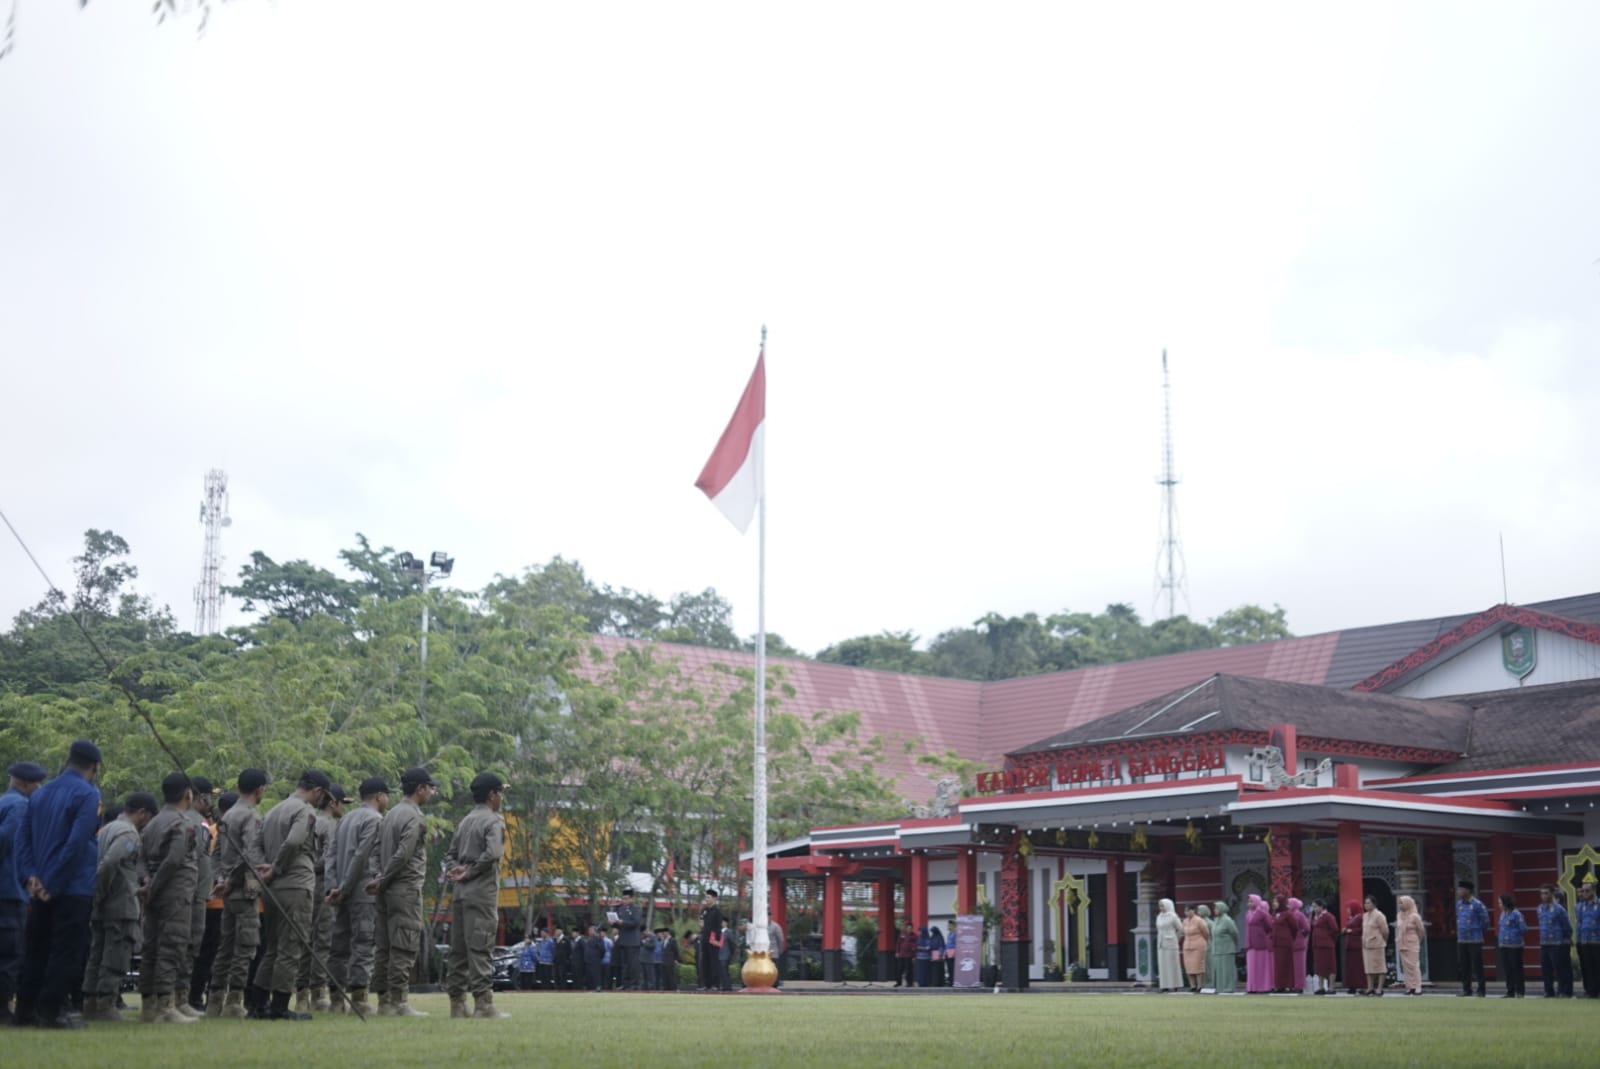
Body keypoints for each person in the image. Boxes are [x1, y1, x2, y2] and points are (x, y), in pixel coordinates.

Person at [14, 739, 102, 1029]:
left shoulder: (41, 793)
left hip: (39, 886)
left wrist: (31, 877)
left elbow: (23, 840)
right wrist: (50, 880)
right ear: (94, 767)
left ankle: (24, 1010)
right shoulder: (88, 794)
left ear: (67, 760)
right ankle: (51, 1011)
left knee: (36, 948)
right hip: (72, 885)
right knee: (66, 951)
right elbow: (76, 843)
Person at [256, 769, 332, 1021]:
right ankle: (279, 1007)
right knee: (291, 947)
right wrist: (277, 867)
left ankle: (258, 1005)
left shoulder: (273, 810)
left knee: (272, 948)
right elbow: (294, 840)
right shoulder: (305, 811)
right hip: (295, 885)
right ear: (318, 791)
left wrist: (264, 870)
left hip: (271, 888)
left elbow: (255, 846)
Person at [81, 793, 157, 1021]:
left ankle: (91, 1003)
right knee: (115, 956)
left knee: (96, 955)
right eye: (149, 817)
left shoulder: (106, 829)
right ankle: (105, 1005)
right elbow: (110, 864)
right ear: (142, 812)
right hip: (118, 904)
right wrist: (101, 893)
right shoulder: (128, 833)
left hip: (103, 905)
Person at [370, 766, 436, 1017]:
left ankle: (384, 1002)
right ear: (420, 789)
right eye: (429, 787)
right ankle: (399, 1002)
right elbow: (404, 854)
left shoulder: (390, 815)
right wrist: (384, 877)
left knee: (384, 948)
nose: (431, 791)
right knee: (403, 947)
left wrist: (378, 878)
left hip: (385, 890)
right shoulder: (413, 817)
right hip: (404, 888)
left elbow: (375, 851)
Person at [445, 770, 508, 1019]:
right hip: (481, 892)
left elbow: (450, 855)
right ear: (492, 795)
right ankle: (483, 1004)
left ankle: (457, 1005)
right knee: (481, 947)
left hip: (460, 894)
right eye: (500, 792)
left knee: (458, 951)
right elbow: (493, 853)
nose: (501, 797)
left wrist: (457, 870)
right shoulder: (493, 821)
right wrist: (470, 871)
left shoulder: (465, 821)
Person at [140, 771, 201, 1024]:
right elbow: (175, 859)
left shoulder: (153, 822)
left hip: (153, 894)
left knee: (151, 948)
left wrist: (146, 882)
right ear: (188, 794)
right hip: (175, 893)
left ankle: (149, 1005)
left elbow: (141, 858)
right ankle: (166, 1006)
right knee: (171, 946)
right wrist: (154, 884)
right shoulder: (182, 823)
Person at [327, 775, 387, 1017]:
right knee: (363, 943)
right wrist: (347, 886)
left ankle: (335, 999)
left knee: (338, 946)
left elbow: (330, 854)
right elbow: (361, 856)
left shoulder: (346, 818)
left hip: (340, 891)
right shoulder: (375, 820)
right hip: (361, 890)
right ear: (379, 796)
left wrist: (333, 887)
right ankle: (359, 998)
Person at [211, 769, 268, 1019]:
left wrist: (220, 879)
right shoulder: (250, 816)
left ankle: (214, 999)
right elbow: (250, 856)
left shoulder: (228, 814)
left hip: (227, 889)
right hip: (245, 886)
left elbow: (216, 855)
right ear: (259, 789)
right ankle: (234, 1000)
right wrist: (236, 883)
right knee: (245, 946)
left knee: (226, 946)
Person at [0, 760, 47, 1026]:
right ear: (25, 783)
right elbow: (9, 843)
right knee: (10, 952)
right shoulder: (20, 807)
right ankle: (3, 1010)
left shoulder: (3, 802)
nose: (39, 788)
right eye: (37, 783)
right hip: (9, 891)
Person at [298, 781, 344, 1013]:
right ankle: (317, 991)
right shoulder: (331, 825)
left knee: (305, 937)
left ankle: (301, 992)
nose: (343, 808)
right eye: (342, 803)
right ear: (333, 802)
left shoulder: (309, 819)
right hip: (322, 884)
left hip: (304, 883)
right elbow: (329, 859)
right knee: (323, 939)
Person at [183, 778, 222, 1016]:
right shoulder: (197, 825)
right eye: (208, 797)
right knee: (197, 950)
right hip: (197, 896)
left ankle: (188, 997)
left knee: (199, 949)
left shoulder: (206, 825)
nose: (210, 803)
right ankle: (191, 997)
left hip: (201, 895)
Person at [1537, 883, 1574, 997]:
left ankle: (1563, 991)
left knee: (1560, 969)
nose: (1543, 896)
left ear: (1552, 894)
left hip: (1557, 943)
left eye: (1546, 893)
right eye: (1542, 893)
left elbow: (1567, 926)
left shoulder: (1559, 909)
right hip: (1544, 942)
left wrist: (1565, 939)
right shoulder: (1540, 908)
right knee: (1546, 969)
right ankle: (1548, 991)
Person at [1453, 879, 1489, 997]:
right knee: (1464, 966)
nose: (1459, 891)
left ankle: (1481, 990)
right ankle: (1466, 989)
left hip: (1475, 939)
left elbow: (1485, 922)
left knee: (1477, 965)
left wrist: (1477, 931)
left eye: (1461, 889)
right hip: (1462, 939)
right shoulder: (1459, 905)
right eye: (1458, 889)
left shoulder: (1477, 904)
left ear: (1468, 891)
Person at [1497, 892, 1527, 998]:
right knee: (1507, 969)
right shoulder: (1502, 914)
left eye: (1500, 903)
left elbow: (1523, 928)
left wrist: (1513, 935)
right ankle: (1510, 991)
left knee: (1517, 969)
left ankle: (1520, 991)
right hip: (1504, 945)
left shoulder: (1516, 914)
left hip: (1515, 946)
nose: (1499, 906)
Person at [1574, 877, 1600, 998]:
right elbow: (1579, 922)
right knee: (1587, 967)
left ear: (1594, 890)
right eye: (1583, 891)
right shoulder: (1580, 906)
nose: (1584, 893)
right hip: (1584, 941)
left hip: (1597, 941)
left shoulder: (1598, 904)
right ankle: (1590, 991)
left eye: (1587, 891)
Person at [1395, 895, 1425, 996]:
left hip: (1412, 942)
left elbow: (1421, 930)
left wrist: (1417, 940)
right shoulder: (1399, 915)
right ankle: (1409, 987)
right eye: (1399, 903)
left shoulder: (1415, 916)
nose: (1400, 905)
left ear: (1407, 903)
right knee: (1406, 966)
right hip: (1402, 942)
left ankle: (1418, 987)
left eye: (1401, 903)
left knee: (1414, 965)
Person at [613, 886, 642, 990]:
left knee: (633, 964)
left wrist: (623, 922)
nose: (624, 900)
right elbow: (618, 926)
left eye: (626, 898)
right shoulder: (620, 909)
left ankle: (634, 984)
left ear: (631, 899)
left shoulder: (636, 909)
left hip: (633, 941)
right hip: (623, 940)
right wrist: (614, 923)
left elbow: (636, 923)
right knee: (624, 964)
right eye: (623, 898)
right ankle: (625, 984)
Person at [1360, 895, 1389, 995]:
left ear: (1374, 904)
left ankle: (1379, 988)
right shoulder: (1365, 915)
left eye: (1368, 903)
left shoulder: (1379, 915)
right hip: (1366, 945)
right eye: (1365, 903)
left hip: (1377, 944)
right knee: (1368, 968)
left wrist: (1383, 941)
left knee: (1380, 967)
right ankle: (1370, 988)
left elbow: (1385, 931)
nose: (1366, 905)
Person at [1309, 899, 1339, 995]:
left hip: (1327, 944)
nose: (1314, 909)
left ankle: (1331, 987)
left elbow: (1334, 929)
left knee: (1330, 966)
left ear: (1321, 906)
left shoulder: (1328, 916)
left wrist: (1327, 937)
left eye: (1316, 907)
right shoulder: (1315, 917)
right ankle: (1321, 986)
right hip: (1317, 945)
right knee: (1319, 966)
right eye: (1313, 907)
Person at [1208, 900, 1239, 994]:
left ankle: (1228, 988)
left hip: (1227, 949)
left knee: (1227, 970)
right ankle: (1220, 988)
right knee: (1218, 970)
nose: (1215, 910)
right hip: (1217, 950)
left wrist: (1233, 944)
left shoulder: (1227, 920)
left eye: (1216, 908)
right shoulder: (1216, 920)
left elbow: (1235, 933)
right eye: (1214, 908)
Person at [1244, 894, 1272, 994]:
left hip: (1260, 944)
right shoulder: (1247, 913)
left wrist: (1261, 935)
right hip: (1250, 944)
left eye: (1251, 901)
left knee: (1261, 966)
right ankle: (1252, 987)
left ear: (1256, 902)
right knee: (1252, 967)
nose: (1249, 904)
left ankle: (1263, 987)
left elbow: (1269, 927)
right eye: (1248, 902)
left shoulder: (1262, 914)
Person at [698, 889, 724, 991]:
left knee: (714, 962)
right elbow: (702, 924)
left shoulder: (717, 912)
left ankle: (715, 984)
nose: (706, 899)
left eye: (708, 898)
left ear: (714, 899)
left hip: (713, 940)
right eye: (706, 897)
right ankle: (706, 984)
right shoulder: (705, 911)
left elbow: (718, 928)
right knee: (705, 962)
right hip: (705, 938)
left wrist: (714, 940)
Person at [1270, 895, 1296, 993]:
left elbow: (1295, 927)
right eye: (1273, 902)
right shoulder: (1275, 914)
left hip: (1285, 942)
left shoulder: (1287, 914)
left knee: (1286, 964)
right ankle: (1280, 985)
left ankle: (1288, 985)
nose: (1274, 904)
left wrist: (1289, 937)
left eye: (1276, 902)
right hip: (1277, 943)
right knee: (1278, 965)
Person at [1155, 898, 1182, 993]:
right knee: (1163, 965)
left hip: (1171, 943)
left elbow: (1180, 930)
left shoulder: (1173, 916)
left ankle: (1174, 985)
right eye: (1160, 906)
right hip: (1161, 943)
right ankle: (1164, 985)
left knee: (1172, 965)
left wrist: (1175, 939)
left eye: (1162, 906)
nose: (1161, 908)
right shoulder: (1159, 916)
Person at [1182, 903, 1208, 992]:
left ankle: (1199, 986)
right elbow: (1183, 933)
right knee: (1189, 966)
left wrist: (1203, 941)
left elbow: (1206, 932)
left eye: (1188, 910)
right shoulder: (1185, 921)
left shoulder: (1199, 920)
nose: (1186, 913)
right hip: (1187, 945)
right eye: (1185, 911)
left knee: (1198, 966)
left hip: (1198, 945)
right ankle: (1192, 986)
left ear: (1193, 910)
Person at [1340, 902, 1364, 994]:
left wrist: (1350, 931)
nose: (1348, 911)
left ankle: (1361, 985)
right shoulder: (1350, 918)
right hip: (1349, 945)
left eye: (1349, 908)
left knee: (1358, 967)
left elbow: (1362, 929)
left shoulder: (1360, 917)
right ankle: (1352, 985)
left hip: (1357, 945)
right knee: (1350, 967)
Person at [1287, 897, 1309, 994]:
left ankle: (1299, 986)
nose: (1288, 906)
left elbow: (1307, 928)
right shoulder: (1288, 914)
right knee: (1291, 966)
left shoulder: (1299, 915)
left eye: (1289, 904)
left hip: (1298, 943)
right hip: (1290, 943)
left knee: (1299, 966)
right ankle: (1292, 985)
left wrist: (1300, 935)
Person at [894, 922, 916, 987]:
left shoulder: (914, 936)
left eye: (911, 928)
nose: (909, 929)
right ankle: (898, 983)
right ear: (906, 928)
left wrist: (914, 956)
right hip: (901, 955)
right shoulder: (902, 934)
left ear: (912, 928)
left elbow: (915, 946)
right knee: (899, 969)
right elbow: (898, 943)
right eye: (908, 928)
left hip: (909, 956)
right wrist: (897, 952)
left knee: (908, 970)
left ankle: (909, 983)